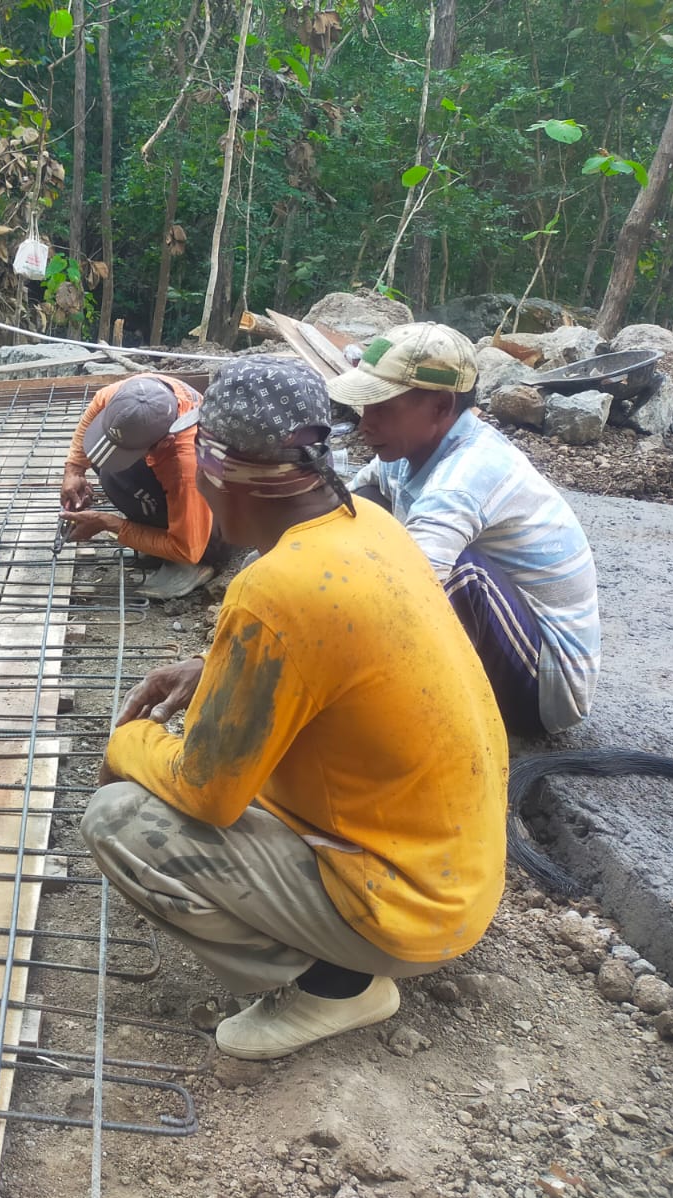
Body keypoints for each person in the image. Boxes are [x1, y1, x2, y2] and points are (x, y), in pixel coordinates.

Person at [81, 356, 507, 1061]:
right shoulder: (366, 521)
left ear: (218, 474)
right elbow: (334, 656)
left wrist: (123, 743)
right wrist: (215, 665)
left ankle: (337, 984)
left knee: (120, 820)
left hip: (404, 909)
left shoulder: (277, 590)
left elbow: (206, 793)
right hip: (454, 873)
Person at [326, 321, 600, 735]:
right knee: (361, 505)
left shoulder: (467, 474)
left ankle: (407, 709)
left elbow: (410, 590)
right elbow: (346, 501)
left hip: (545, 685)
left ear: (440, 407)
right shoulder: (405, 452)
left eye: (382, 408)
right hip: (509, 646)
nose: (365, 424)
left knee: (457, 572)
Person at [59, 373, 222, 599]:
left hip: (214, 520)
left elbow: (187, 548)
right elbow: (98, 403)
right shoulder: (134, 395)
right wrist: (74, 469)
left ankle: (195, 563)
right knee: (106, 463)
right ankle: (156, 538)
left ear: (164, 442)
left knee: (117, 478)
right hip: (174, 472)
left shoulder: (186, 466)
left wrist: (108, 524)